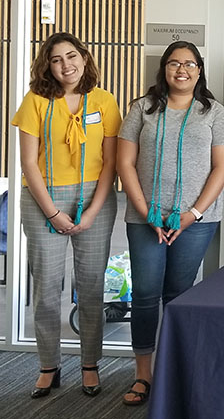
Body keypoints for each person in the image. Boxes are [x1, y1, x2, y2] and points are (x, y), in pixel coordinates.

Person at [116, 41, 224, 406]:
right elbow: (125, 163)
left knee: (180, 295)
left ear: (199, 70)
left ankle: (176, 371)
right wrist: (147, 211)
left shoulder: (214, 112)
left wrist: (193, 213)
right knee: (147, 294)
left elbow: (222, 168)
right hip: (145, 217)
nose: (181, 69)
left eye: (189, 64)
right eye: (174, 63)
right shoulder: (142, 109)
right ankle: (143, 375)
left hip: (196, 220)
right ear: (164, 69)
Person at [13, 32, 121, 398]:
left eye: (71, 56)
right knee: (46, 289)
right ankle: (48, 366)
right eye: (56, 59)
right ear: (48, 65)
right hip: (44, 196)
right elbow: (28, 162)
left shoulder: (105, 101)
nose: (66, 65)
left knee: (90, 288)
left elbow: (111, 163)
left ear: (85, 58)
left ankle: (90, 365)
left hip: (96, 195)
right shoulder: (36, 101)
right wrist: (54, 212)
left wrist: (91, 212)